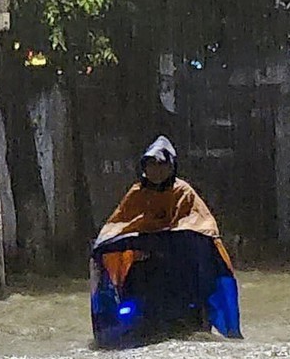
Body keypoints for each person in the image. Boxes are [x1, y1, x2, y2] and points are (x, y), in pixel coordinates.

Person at [90, 137, 241, 345]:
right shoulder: (137, 194)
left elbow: (198, 227)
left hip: (180, 266)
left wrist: (167, 241)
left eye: (162, 165)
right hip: (146, 264)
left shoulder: (183, 192)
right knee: (135, 281)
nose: (156, 171)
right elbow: (118, 226)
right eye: (151, 165)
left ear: (172, 166)